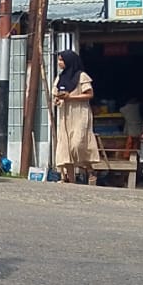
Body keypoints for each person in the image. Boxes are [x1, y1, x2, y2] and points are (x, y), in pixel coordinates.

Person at [52, 50, 97, 184]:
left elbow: (89, 94)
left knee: (77, 144)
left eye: (61, 60)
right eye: (59, 60)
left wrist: (70, 97)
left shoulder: (81, 76)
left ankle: (89, 168)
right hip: (65, 115)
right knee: (65, 147)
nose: (59, 63)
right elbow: (56, 94)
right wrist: (58, 100)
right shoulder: (60, 78)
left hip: (79, 114)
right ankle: (69, 180)